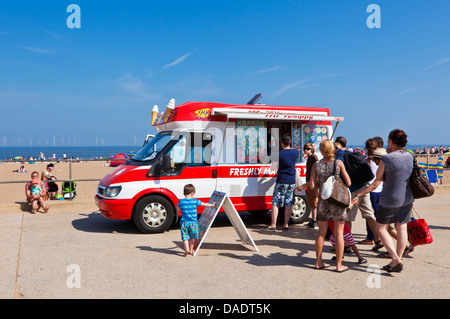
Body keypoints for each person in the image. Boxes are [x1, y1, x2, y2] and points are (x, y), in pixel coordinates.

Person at [352, 129, 414, 273]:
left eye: (388, 140)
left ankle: (395, 258)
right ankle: (397, 259)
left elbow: (375, 183)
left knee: (380, 228)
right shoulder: (410, 157)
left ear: (392, 141)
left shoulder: (387, 159)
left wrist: (359, 194)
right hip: (407, 197)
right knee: (402, 228)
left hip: (390, 199)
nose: (387, 143)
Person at [310, 139, 352, 272]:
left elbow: (311, 186)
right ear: (333, 150)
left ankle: (319, 262)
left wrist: (321, 184)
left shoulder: (316, 165)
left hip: (323, 202)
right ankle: (339, 265)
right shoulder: (338, 163)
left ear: (321, 150)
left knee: (321, 233)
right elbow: (349, 183)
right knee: (339, 233)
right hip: (337, 203)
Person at [334, 136, 379, 249]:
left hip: (353, 190)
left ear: (336, 145)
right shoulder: (352, 153)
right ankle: (379, 240)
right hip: (364, 187)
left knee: (348, 218)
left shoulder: (339, 156)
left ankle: (347, 245)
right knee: (369, 214)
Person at [264, 134, 299, 231]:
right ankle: (286, 224)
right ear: (290, 142)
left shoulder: (279, 154)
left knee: (275, 202)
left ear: (281, 143)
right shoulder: (295, 153)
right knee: (288, 203)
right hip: (291, 181)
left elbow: (272, 167)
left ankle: (273, 224)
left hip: (281, 180)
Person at [177, 184, 214, 257]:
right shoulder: (195, 201)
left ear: (184, 193)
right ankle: (191, 250)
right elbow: (204, 204)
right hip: (193, 223)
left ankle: (186, 249)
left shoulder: (181, 202)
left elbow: (178, 210)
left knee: (185, 237)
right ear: (192, 193)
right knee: (192, 237)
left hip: (184, 222)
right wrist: (211, 205)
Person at [297, 143, 318, 229]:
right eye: (305, 148)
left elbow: (317, 167)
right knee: (311, 201)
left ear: (311, 149)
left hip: (312, 182)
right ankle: (313, 219)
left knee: (313, 202)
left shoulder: (313, 157)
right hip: (310, 181)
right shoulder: (310, 157)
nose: (306, 150)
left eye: (308, 149)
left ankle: (314, 220)